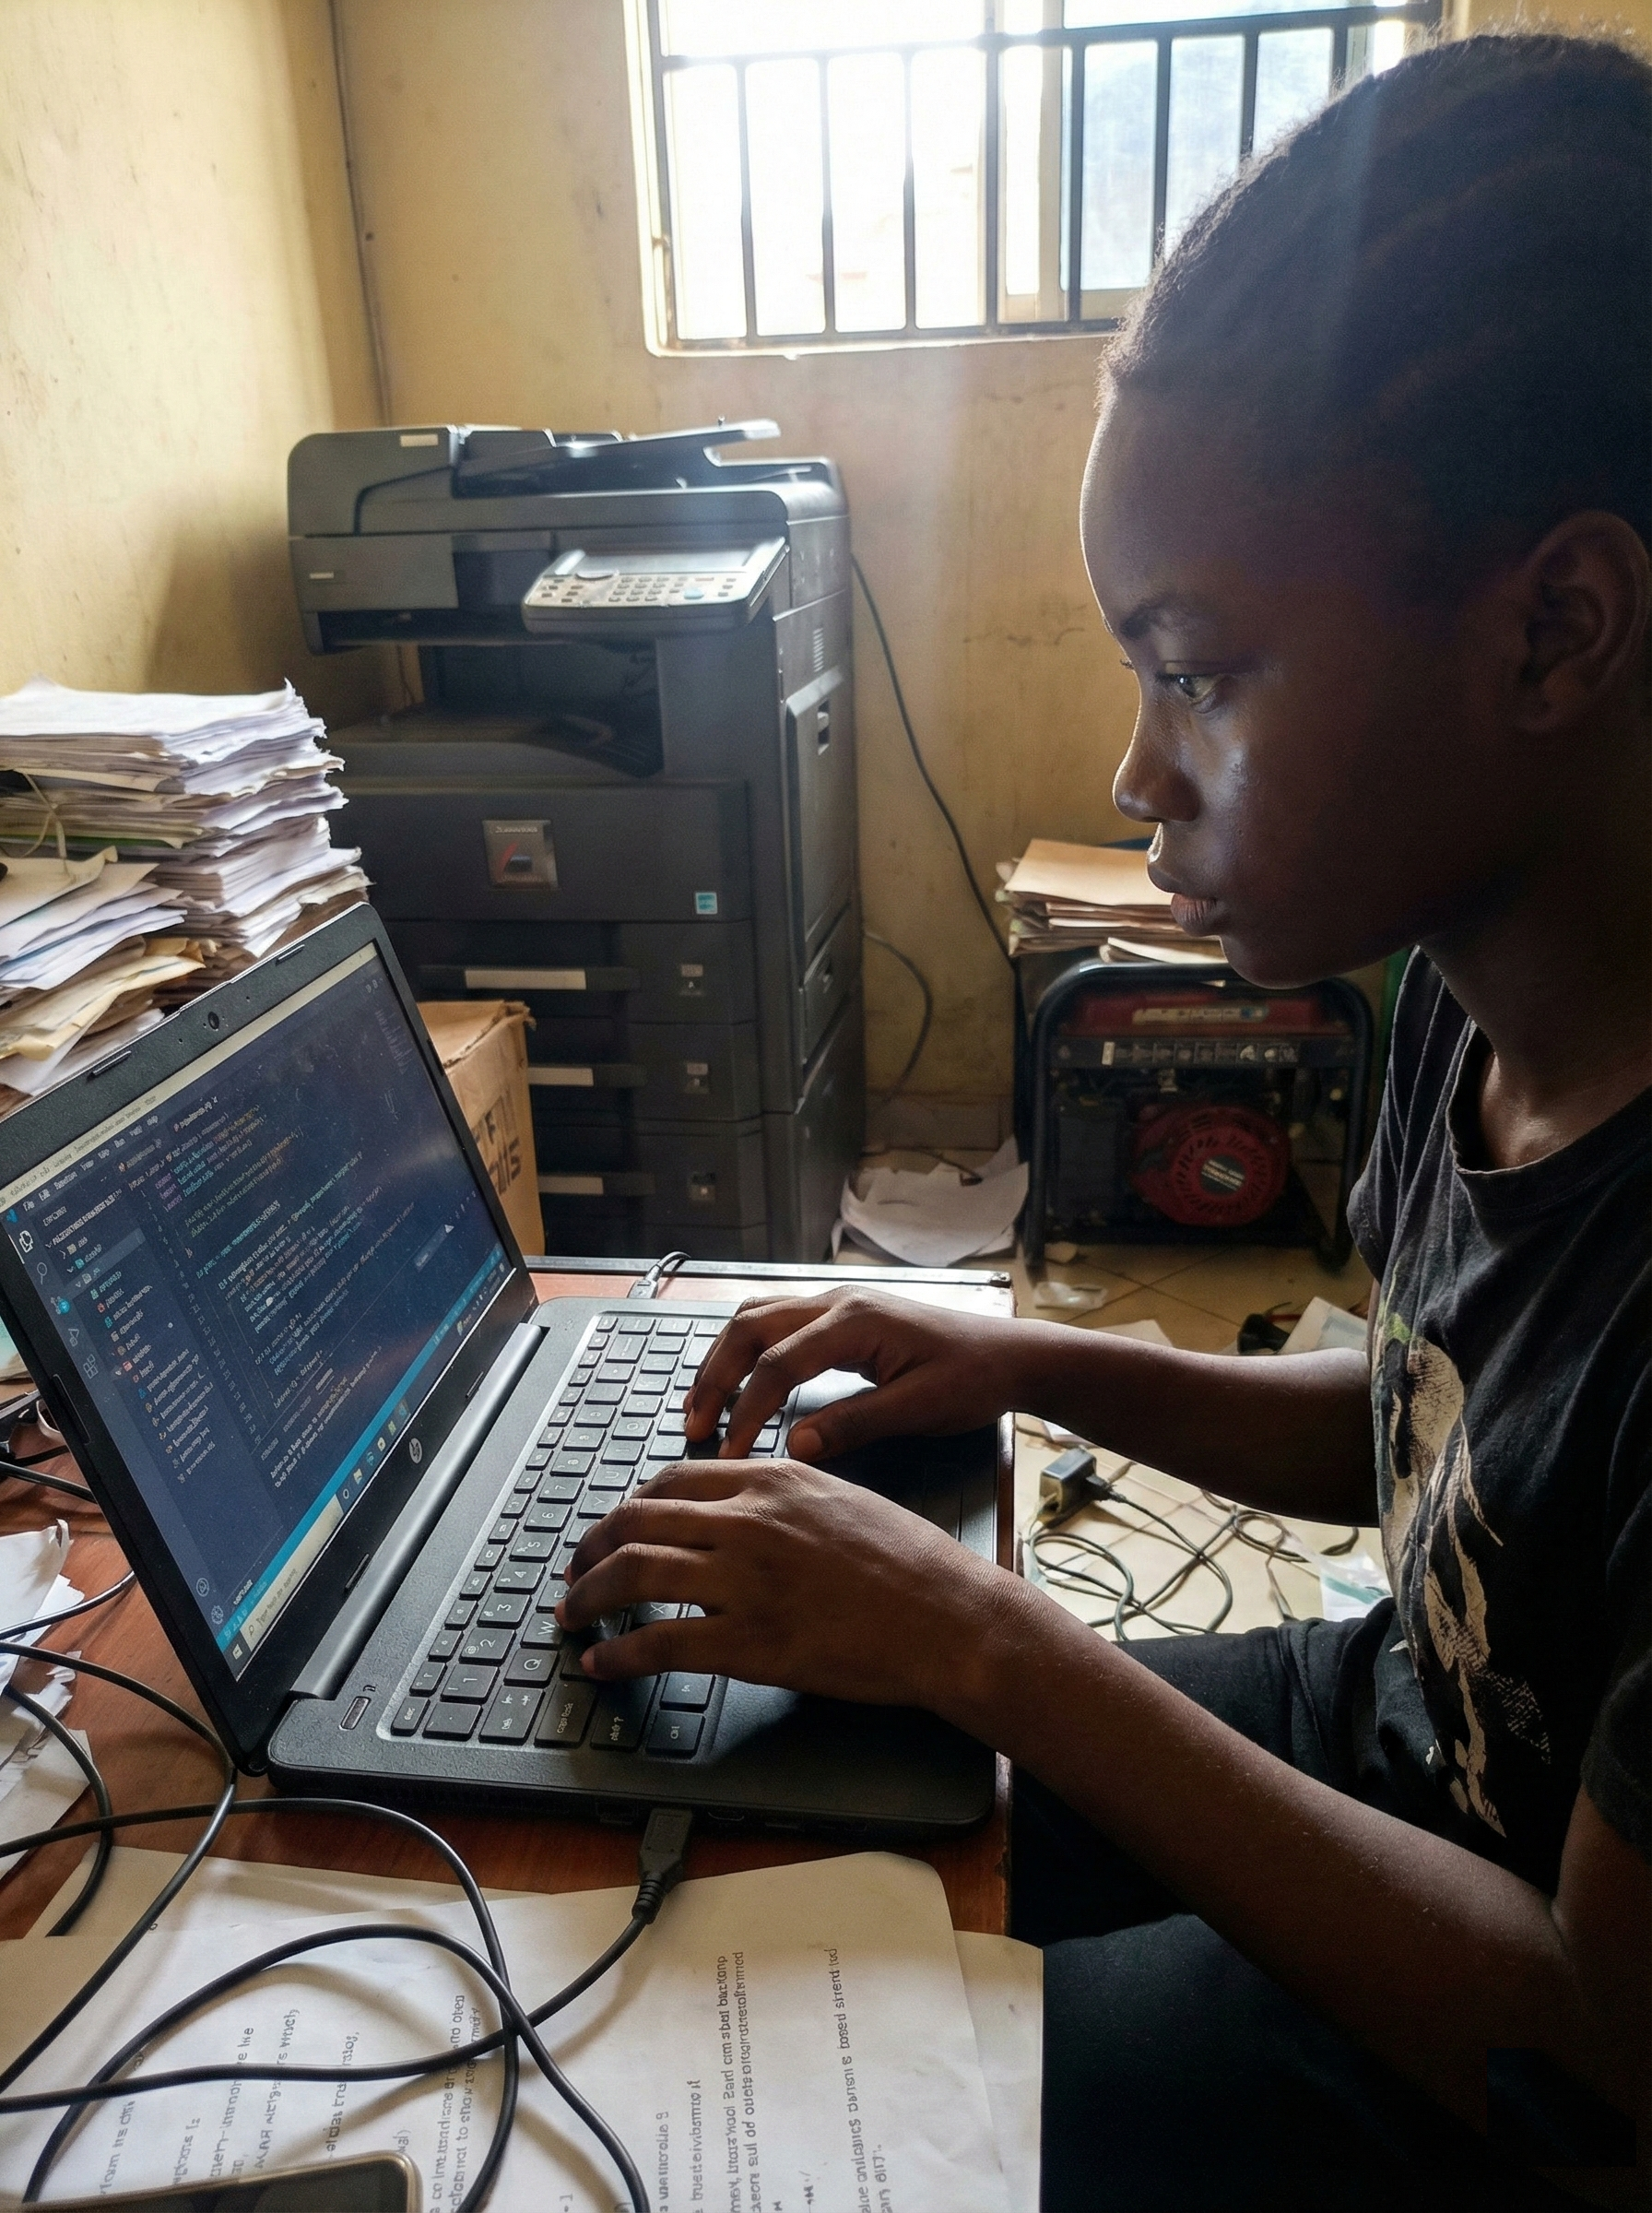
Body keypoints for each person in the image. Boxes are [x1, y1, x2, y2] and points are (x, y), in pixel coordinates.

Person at [558, 31, 1650, 2208]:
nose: (1141, 776)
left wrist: (989, 1639)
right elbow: (1442, 1428)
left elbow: (1591, 2067)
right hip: (1404, 1739)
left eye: (1199, 669)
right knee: (739, 1808)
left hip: (1505, 2026)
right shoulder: (1479, 985)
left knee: (804, 2090)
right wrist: (1034, 1362)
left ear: (1551, 629)